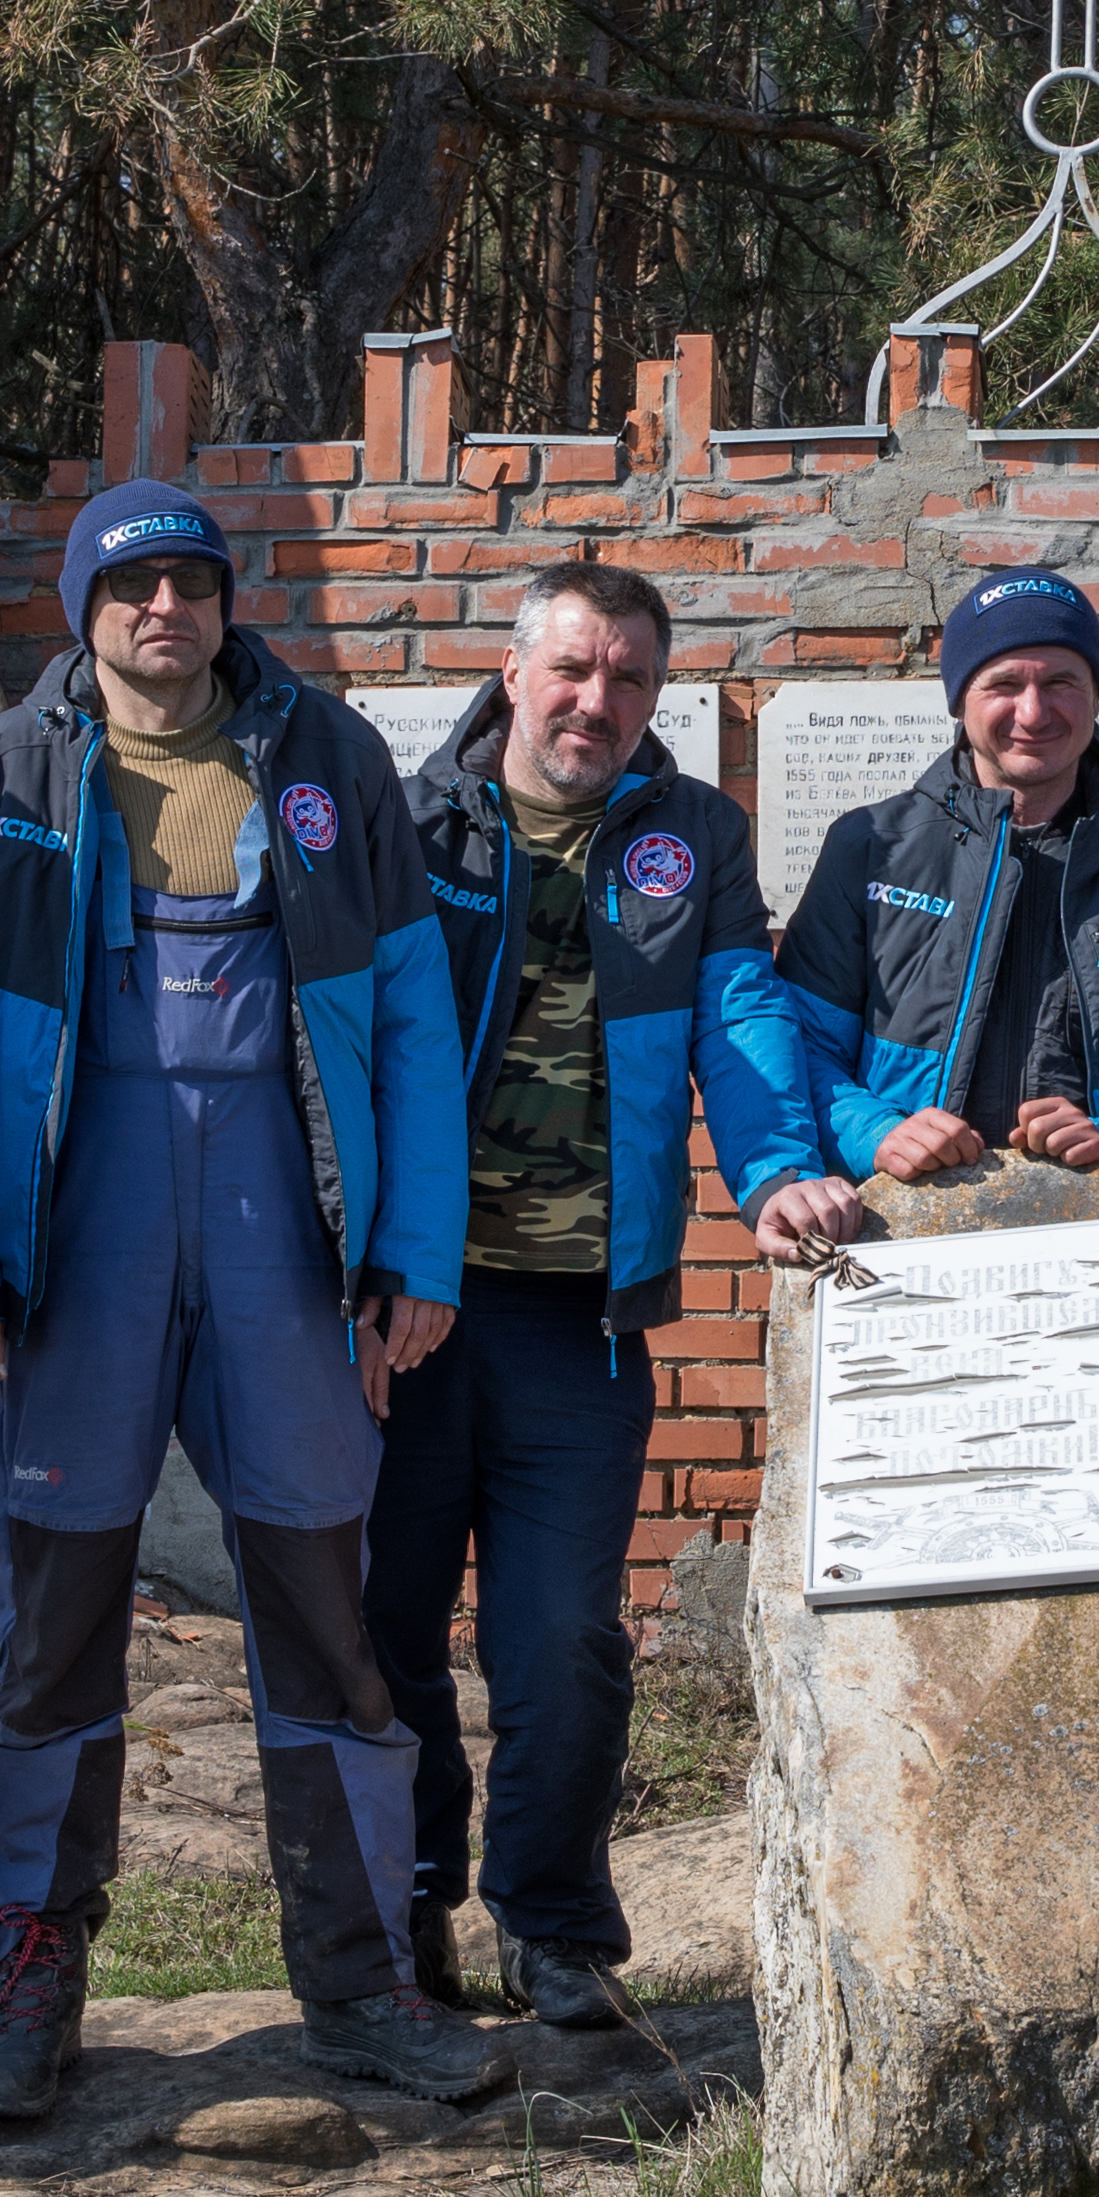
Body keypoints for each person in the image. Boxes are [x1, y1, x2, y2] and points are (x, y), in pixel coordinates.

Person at [0, 480, 482, 2117]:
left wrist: (412, 1256)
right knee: (54, 1613)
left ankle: (362, 1980)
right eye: (131, 584)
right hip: (74, 1245)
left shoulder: (327, 765)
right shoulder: (6, 772)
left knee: (321, 1601)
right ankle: (33, 1979)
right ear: (83, 611)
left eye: (190, 583)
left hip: (276, 1244)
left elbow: (411, 1028)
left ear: (225, 604)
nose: (163, 609)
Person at [380, 563, 822, 2028]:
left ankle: (553, 1925)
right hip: (405, 1309)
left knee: (563, 1632)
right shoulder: (413, 822)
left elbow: (741, 1010)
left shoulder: (692, 837)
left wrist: (775, 1174)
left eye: (630, 677)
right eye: (572, 668)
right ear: (511, 675)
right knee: (385, 1624)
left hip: (582, 1316)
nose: (597, 701)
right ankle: (398, 1905)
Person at [752, 566, 1099, 1255]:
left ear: (1097, 692)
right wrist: (876, 1132)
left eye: (1061, 682)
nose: (1034, 713)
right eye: (1004, 684)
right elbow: (802, 1044)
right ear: (960, 701)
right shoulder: (869, 850)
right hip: (904, 1227)